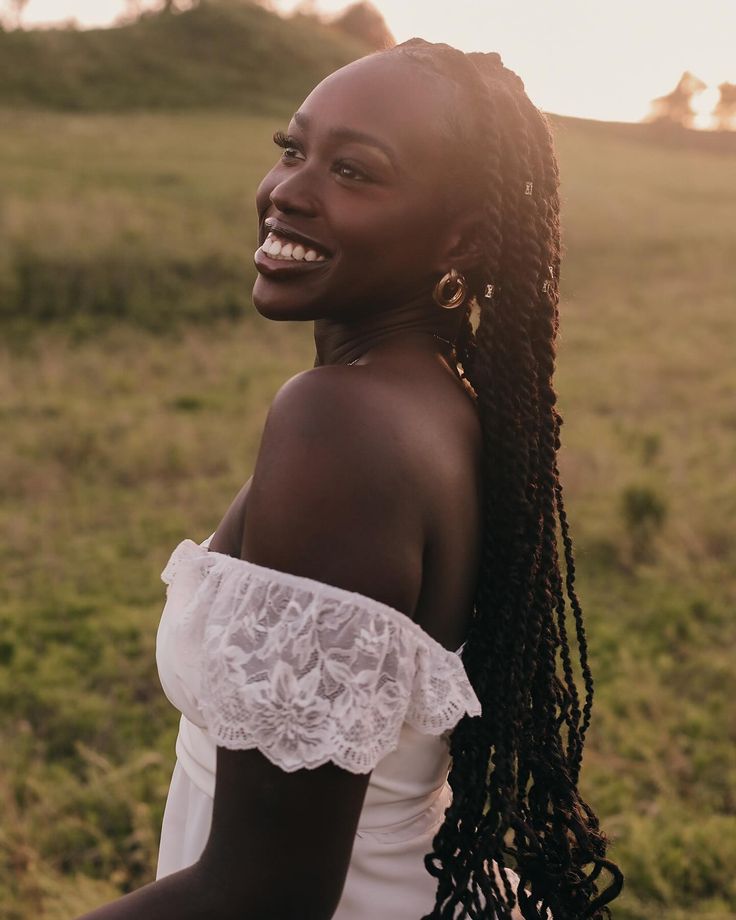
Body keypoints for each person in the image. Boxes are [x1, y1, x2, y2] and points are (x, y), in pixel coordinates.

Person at [78, 37, 623, 920]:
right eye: (292, 150)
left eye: (354, 172)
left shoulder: (343, 425)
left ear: (463, 238)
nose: (289, 191)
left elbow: (266, 892)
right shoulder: (445, 403)